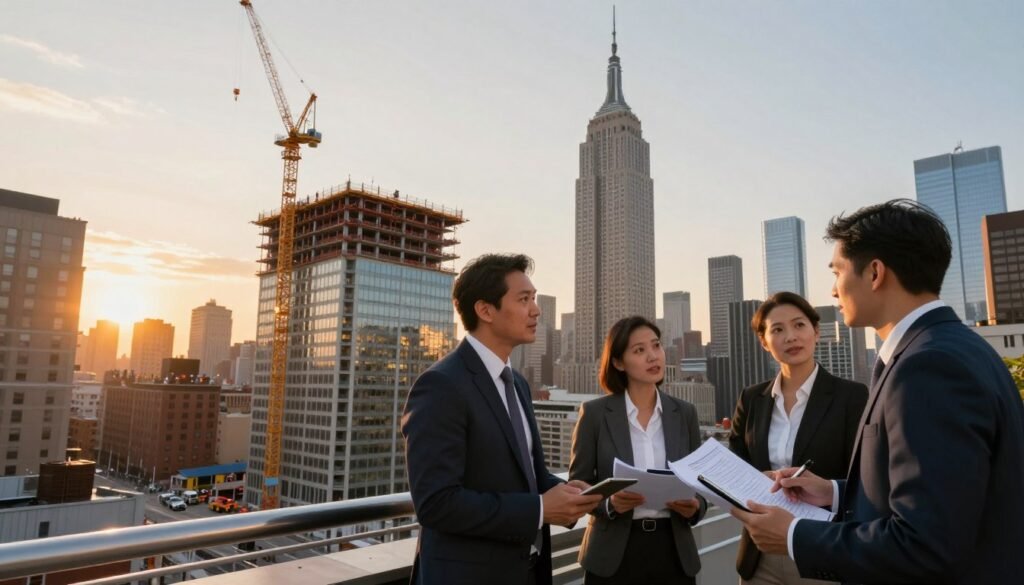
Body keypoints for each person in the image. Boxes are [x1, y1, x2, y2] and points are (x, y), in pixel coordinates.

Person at [731, 199, 1024, 584]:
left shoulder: (928, 367)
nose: (834, 290)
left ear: (874, 273)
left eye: (836, 271)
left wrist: (793, 534)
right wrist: (835, 493)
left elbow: (924, 542)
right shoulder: (953, 347)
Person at [402, 253, 602, 585]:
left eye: (534, 299)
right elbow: (436, 503)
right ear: (485, 310)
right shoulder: (441, 385)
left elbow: (528, 477)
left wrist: (566, 492)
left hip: (526, 571)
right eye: (524, 299)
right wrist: (539, 510)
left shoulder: (518, 383)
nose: (536, 310)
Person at [729, 292, 867, 584]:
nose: (791, 337)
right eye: (777, 330)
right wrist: (757, 479)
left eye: (799, 325)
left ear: (816, 332)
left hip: (820, 549)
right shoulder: (752, 398)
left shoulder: (851, 396)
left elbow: (864, 476)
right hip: (760, 554)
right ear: (765, 342)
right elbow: (734, 464)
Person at [569, 316, 706, 584]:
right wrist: (609, 503)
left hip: (674, 551)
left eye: (656, 346)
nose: (653, 356)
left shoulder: (684, 413)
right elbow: (579, 485)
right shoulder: (596, 414)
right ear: (619, 362)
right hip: (613, 553)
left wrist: (695, 507)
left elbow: (699, 485)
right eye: (639, 350)